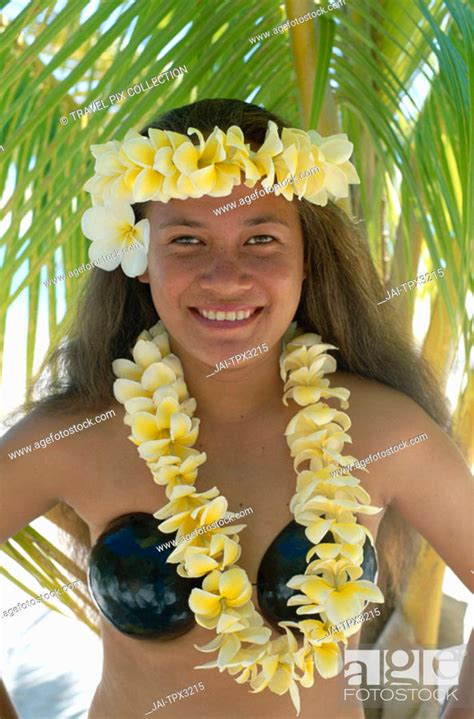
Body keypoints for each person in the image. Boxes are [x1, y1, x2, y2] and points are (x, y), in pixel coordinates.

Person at [1, 98, 472, 719]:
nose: (226, 276)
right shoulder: (78, 436)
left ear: (308, 257)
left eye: (261, 238)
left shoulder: (385, 432)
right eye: (187, 240)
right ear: (141, 258)